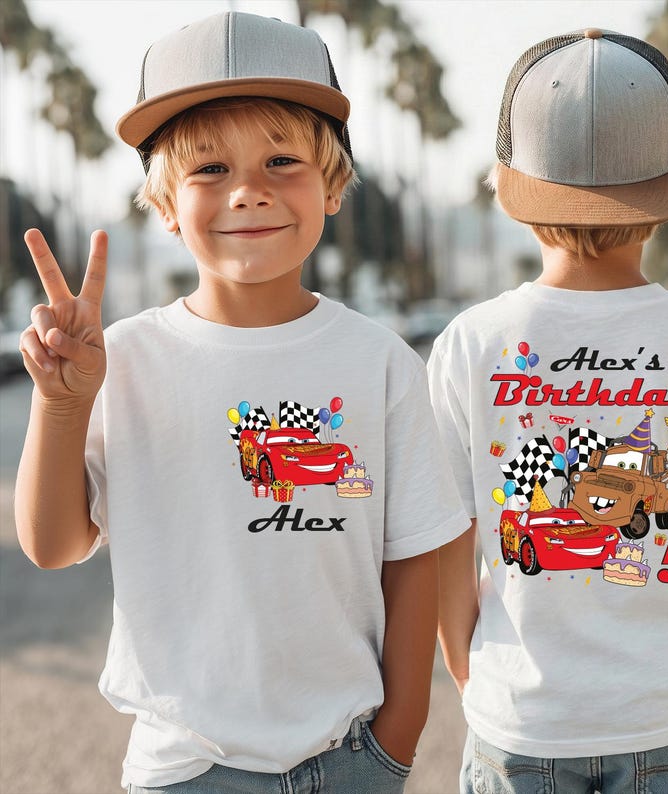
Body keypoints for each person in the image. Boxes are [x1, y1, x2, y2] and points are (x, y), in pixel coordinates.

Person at [15, 12, 469, 793]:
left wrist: (396, 740)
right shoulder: (120, 361)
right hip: (183, 767)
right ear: (164, 206)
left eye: (281, 159)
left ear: (332, 188)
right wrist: (60, 406)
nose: (249, 190)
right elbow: (53, 545)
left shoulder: (381, 363)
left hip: (349, 759)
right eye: (210, 170)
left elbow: (412, 559)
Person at [427, 29, 668, 794]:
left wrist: (469, 671)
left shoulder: (471, 342)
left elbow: (444, 544)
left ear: (511, 186)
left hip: (518, 719)